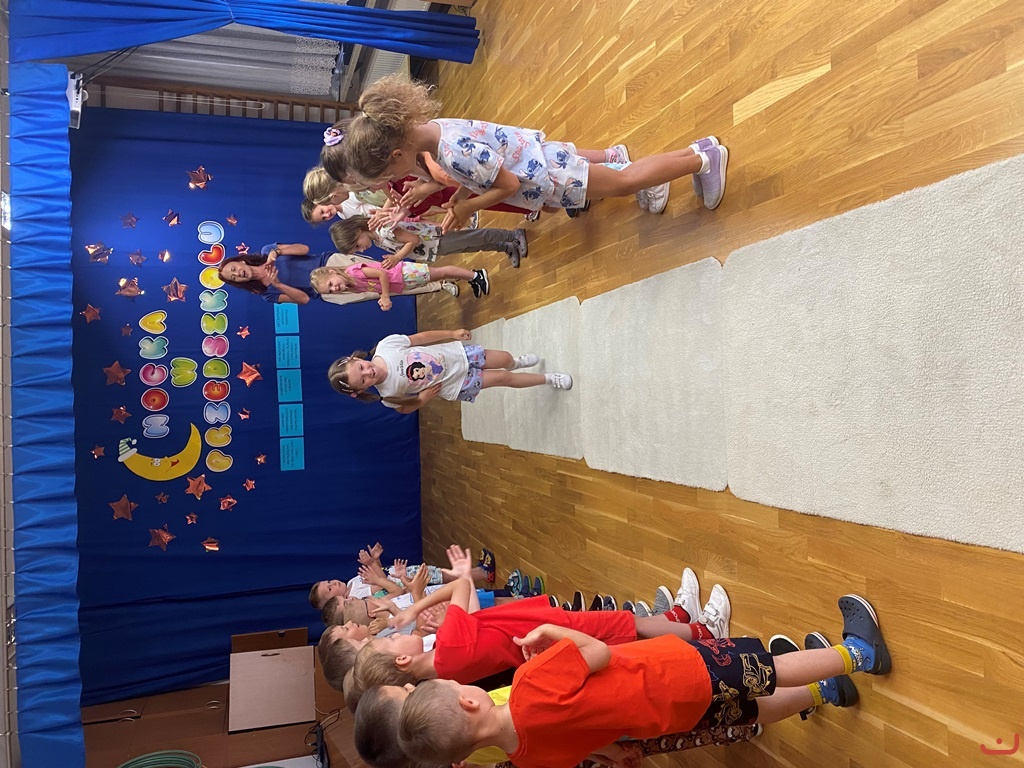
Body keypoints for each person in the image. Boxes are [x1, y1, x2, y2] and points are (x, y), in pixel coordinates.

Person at [394, 594, 891, 768]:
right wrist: (553, 632)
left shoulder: (525, 759)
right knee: (767, 670)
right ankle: (858, 655)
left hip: (668, 717)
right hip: (675, 673)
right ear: (470, 703)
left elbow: (599, 748)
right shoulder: (527, 684)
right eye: (458, 688)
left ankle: (822, 690)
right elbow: (598, 652)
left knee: (751, 709)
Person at [323, 74, 729, 230]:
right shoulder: (437, 132)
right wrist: (461, 196)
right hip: (543, 161)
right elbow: (479, 172)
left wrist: (467, 208)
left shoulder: (449, 152)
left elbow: (508, 185)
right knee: (624, 178)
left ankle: (703, 160)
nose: (397, 181)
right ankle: (700, 152)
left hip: (548, 175)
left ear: (397, 154)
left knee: (626, 181)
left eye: (391, 175)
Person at [344, 556, 732, 703]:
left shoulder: (445, 665)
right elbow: (461, 586)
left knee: (627, 630)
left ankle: (679, 619)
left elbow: (472, 621)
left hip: (544, 637)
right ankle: (705, 631)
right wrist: (414, 608)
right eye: (393, 640)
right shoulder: (447, 648)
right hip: (550, 631)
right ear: (402, 660)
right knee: (625, 626)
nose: (398, 632)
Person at [326, 329, 572, 414]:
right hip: (455, 383)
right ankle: (549, 379)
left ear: (356, 358)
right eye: (363, 380)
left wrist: (451, 333)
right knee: (503, 378)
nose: (368, 373)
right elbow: (403, 408)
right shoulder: (387, 395)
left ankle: (516, 362)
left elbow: (420, 338)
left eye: (361, 367)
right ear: (360, 390)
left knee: (505, 359)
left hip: (457, 354)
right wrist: (421, 400)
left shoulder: (386, 346)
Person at [329, 214, 527, 270]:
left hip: (437, 239)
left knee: (477, 237)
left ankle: (512, 235)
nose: (361, 249)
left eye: (357, 245)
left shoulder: (384, 230)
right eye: (356, 250)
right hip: (433, 249)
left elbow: (413, 239)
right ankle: (505, 246)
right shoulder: (379, 239)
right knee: (473, 246)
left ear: (358, 231)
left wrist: (397, 257)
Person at [310, 261, 489, 307]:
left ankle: (476, 275)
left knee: (441, 272)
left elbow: (381, 274)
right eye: (331, 291)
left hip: (403, 273)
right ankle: (470, 277)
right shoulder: (352, 286)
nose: (334, 288)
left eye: (331, 284)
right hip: (402, 282)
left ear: (332, 272)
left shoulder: (353, 272)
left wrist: (385, 295)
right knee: (436, 276)